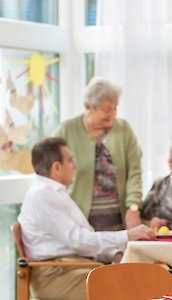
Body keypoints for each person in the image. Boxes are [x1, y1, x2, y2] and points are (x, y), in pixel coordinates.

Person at [18, 137, 155, 300]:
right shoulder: (42, 196)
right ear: (56, 167)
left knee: (139, 279)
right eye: (70, 160)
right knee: (128, 287)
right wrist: (127, 235)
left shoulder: (56, 193)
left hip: (72, 266)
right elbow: (77, 240)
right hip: (56, 275)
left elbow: (82, 239)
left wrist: (113, 254)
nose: (75, 165)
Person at [54, 77, 143, 231]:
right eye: (107, 109)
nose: (113, 114)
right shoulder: (66, 131)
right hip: (79, 224)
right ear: (88, 106)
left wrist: (133, 207)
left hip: (119, 225)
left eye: (115, 108)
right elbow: (51, 174)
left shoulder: (123, 130)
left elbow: (135, 171)